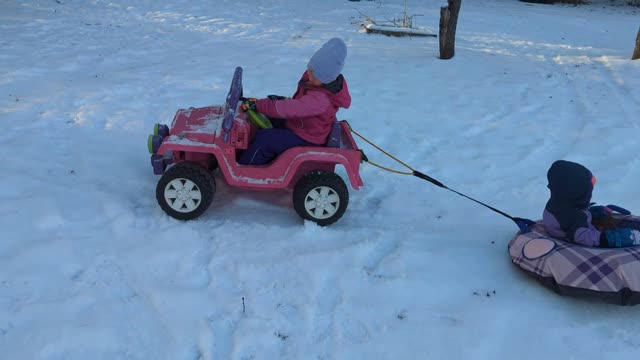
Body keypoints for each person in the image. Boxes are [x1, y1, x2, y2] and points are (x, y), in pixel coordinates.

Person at [237, 37, 351, 165]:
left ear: (326, 79)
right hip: (302, 125)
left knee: (265, 140)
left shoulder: (321, 99)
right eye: (310, 69)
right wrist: (280, 100)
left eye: (314, 75)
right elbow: (299, 104)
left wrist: (259, 105)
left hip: (307, 137)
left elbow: (292, 108)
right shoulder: (316, 82)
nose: (309, 75)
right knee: (268, 119)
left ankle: (244, 170)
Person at [543, 160, 640, 248]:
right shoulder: (571, 217)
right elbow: (583, 237)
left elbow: (577, 212)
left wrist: (594, 212)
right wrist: (614, 238)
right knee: (628, 231)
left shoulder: (560, 202)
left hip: (580, 225)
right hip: (592, 243)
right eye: (588, 191)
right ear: (578, 194)